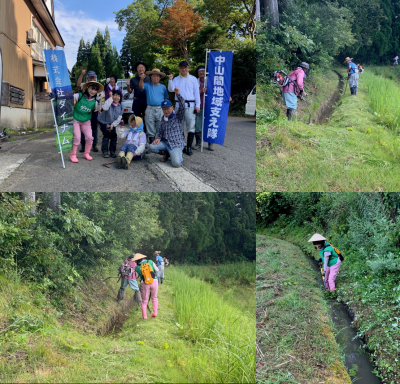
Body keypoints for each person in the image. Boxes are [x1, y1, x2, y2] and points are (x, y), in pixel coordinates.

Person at [168, 61, 200, 156]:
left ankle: (189, 147)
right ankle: (182, 146)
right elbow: (170, 89)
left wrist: (197, 105)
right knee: (179, 126)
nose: (183, 69)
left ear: (188, 68)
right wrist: (170, 80)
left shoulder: (193, 79)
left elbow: (196, 93)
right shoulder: (176, 79)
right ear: (179, 69)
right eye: (181, 68)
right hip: (178, 105)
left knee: (191, 126)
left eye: (185, 67)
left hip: (190, 105)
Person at [149, 88, 186, 168]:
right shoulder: (163, 118)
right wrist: (158, 138)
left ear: (172, 108)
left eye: (168, 108)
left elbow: (182, 105)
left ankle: (179, 154)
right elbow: (160, 132)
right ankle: (168, 153)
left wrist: (178, 94)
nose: (166, 111)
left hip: (176, 144)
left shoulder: (178, 116)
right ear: (162, 110)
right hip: (166, 143)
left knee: (176, 164)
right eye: (164, 109)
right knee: (151, 146)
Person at [71, 81, 103, 163]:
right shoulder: (79, 96)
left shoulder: (95, 101)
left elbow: (97, 110)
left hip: (86, 121)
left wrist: (99, 103)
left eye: (95, 90)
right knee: (77, 137)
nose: (93, 91)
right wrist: (55, 97)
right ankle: (73, 155)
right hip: (76, 119)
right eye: (92, 88)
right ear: (87, 88)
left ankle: (87, 154)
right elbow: (68, 98)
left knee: (89, 137)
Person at [140, 68, 169, 146]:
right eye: (154, 76)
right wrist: (141, 79)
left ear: (159, 78)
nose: (155, 78)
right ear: (151, 77)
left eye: (157, 76)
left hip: (160, 109)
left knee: (161, 127)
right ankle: (152, 145)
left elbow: (166, 98)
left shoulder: (163, 87)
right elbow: (141, 86)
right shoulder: (147, 85)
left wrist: (166, 109)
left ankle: (160, 145)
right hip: (149, 109)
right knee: (150, 127)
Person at [77, 69, 104, 153]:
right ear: (88, 78)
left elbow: (101, 99)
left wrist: (100, 108)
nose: (92, 78)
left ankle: (94, 145)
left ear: (95, 77)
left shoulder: (99, 87)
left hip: (95, 111)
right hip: (85, 111)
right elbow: (78, 85)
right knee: (83, 127)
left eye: (93, 77)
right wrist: (82, 74)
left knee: (94, 128)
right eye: (90, 77)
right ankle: (83, 145)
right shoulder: (85, 85)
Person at [126, 62, 151, 132]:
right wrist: (128, 86)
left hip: (146, 101)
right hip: (137, 101)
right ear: (137, 69)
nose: (141, 69)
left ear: (145, 69)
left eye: (142, 67)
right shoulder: (133, 79)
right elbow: (130, 91)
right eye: (139, 67)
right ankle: (136, 134)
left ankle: (146, 135)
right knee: (136, 118)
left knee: (147, 119)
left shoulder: (149, 79)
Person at [133, 253, 159, 319]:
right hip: (154, 281)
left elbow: (137, 276)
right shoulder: (150, 261)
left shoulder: (137, 267)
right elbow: (157, 270)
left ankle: (145, 316)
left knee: (144, 300)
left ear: (136, 261)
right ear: (143, 258)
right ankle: (155, 313)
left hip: (144, 283)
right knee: (154, 298)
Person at [98, 89, 123, 158]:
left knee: (114, 135)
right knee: (106, 134)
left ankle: (112, 151)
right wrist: (110, 98)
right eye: (115, 95)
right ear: (112, 96)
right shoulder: (108, 102)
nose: (116, 97)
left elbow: (119, 117)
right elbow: (105, 108)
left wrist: (112, 125)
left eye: (118, 96)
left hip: (112, 122)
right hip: (103, 121)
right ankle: (105, 151)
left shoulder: (121, 105)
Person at [194, 65, 206, 150]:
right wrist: (201, 91)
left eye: (203, 71)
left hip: (209, 107)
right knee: (197, 125)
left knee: (210, 125)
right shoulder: (195, 81)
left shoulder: (211, 80)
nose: (202, 72)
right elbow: (191, 92)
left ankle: (210, 143)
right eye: (200, 71)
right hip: (199, 106)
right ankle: (198, 142)